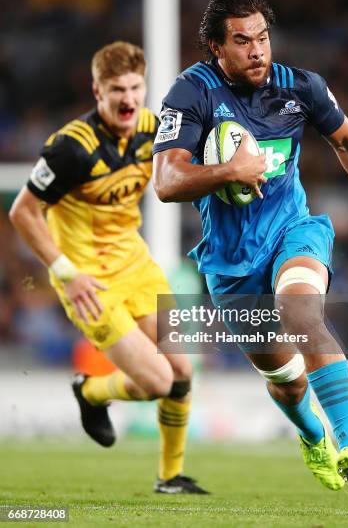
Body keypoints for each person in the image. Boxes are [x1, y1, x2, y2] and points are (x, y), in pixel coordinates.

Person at [152, 0, 348, 497]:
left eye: (262, 38)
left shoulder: (300, 86)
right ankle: (313, 436)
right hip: (231, 265)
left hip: (293, 231)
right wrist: (228, 171)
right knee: (286, 379)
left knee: (301, 312)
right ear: (216, 48)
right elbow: (167, 183)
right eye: (242, 41)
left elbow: (346, 139)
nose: (257, 50)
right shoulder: (190, 93)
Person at [9, 41, 207, 495]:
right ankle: (91, 392)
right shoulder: (70, 149)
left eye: (136, 87)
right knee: (158, 382)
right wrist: (64, 270)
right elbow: (23, 212)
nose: (128, 98)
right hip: (88, 282)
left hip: (137, 265)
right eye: (117, 89)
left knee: (183, 371)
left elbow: (187, 168)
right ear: (96, 91)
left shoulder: (155, 130)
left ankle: (170, 477)